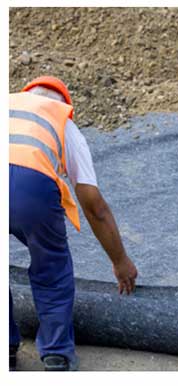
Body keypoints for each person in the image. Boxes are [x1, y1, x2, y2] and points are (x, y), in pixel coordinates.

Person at [9, 76, 138, 371]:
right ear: (65, 104)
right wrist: (120, 261)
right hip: (32, 186)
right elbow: (94, 206)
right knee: (51, 269)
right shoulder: (62, 122)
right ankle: (56, 355)